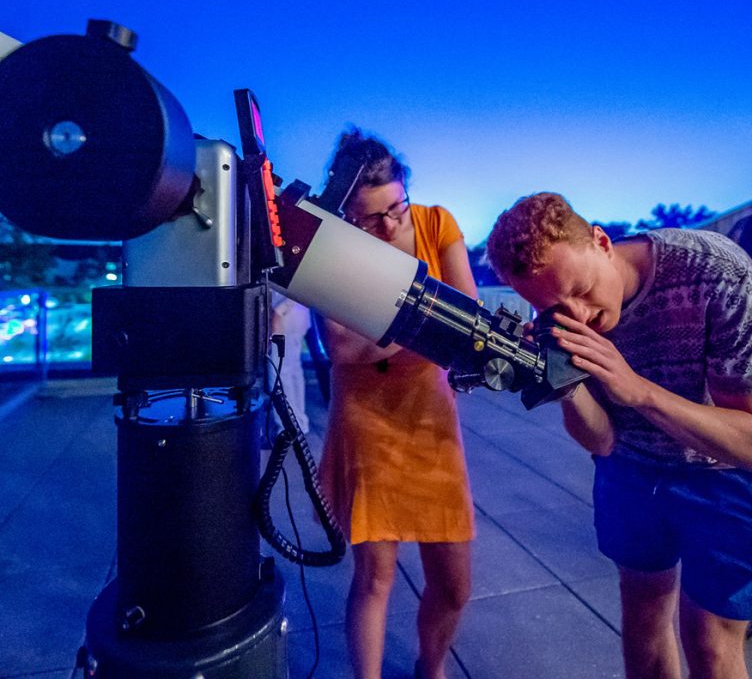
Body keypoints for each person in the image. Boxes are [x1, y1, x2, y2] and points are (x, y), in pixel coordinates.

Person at [486, 192, 752, 679]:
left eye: (582, 289)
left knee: (711, 643)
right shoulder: (561, 317)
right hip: (630, 468)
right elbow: (603, 441)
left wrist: (639, 392)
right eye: (553, 307)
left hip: (724, 474)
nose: (579, 316)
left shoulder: (717, 273)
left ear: (602, 242)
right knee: (644, 623)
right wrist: (563, 383)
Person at [317, 130, 476, 679]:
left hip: (429, 416)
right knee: (375, 577)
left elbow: (469, 318)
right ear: (347, 216)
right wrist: (431, 327)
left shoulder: (436, 223)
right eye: (370, 219)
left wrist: (382, 335)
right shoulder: (331, 247)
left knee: (455, 584)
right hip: (367, 420)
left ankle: (429, 667)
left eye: (396, 209)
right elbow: (340, 347)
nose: (388, 227)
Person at [267, 292, 311, 439]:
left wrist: (278, 311)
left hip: (285, 320)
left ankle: (286, 428)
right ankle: (298, 424)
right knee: (292, 372)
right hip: (293, 318)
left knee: (279, 375)